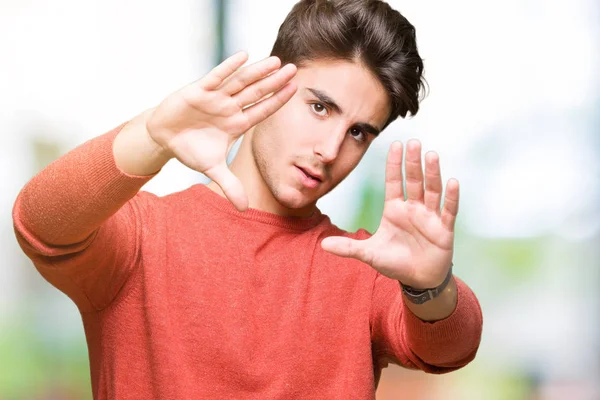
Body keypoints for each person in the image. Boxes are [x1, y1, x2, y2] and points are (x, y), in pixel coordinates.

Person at [12, 0, 483, 399]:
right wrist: (152, 135)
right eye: (320, 107)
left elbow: (450, 347)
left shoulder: (360, 269)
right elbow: (39, 223)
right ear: (272, 84)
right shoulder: (143, 236)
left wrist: (430, 285)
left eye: (358, 132)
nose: (331, 149)